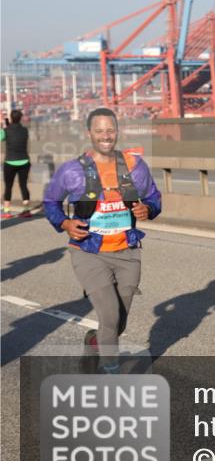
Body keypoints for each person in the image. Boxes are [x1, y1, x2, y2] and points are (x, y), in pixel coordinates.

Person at [43, 108, 162, 373]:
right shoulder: (72, 170)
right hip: (88, 251)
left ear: (117, 131)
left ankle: (95, 342)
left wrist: (149, 209)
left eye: (110, 130)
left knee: (119, 321)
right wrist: (64, 223)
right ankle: (111, 375)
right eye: (99, 131)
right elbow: (51, 202)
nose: (106, 136)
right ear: (89, 134)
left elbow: (154, 197)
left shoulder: (134, 167)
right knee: (109, 314)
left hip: (127, 251)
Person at [2, 109, 32, 219]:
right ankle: (26, 210)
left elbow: (2, 137)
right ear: (20, 118)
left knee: (8, 186)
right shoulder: (25, 131)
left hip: (10, 162)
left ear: (10, 118)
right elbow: (15, 132)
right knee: (23, 185)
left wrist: (3, 125)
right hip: (24, 161)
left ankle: (6, 211)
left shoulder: (6, 130)